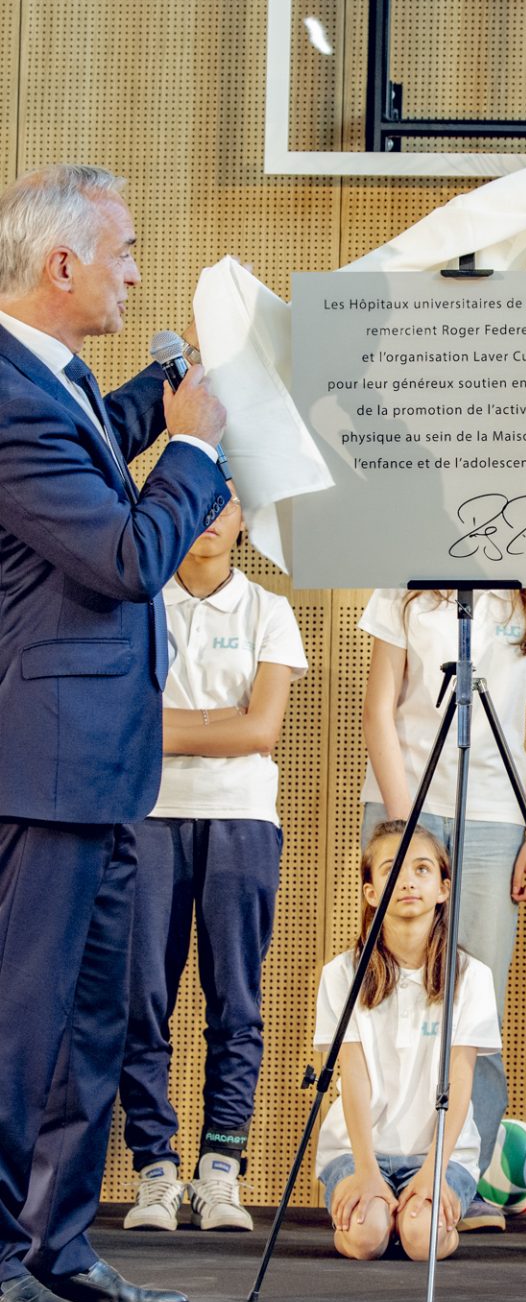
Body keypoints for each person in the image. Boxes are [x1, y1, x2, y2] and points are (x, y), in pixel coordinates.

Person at [0, 165, 228, 1302]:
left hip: (99, 765)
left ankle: (61, 1245)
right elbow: (127, 555)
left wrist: (158, 395)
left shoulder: (61, 380)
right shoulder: (4, 394)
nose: (139, 271)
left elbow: (99, 435)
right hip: (39, 767)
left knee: (93, 1023)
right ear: (63, 265)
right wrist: (195, 453)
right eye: (127, 251)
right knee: (18, 1023)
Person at [118, 492, 308, 1232]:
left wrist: (166, 724)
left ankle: (220, 1170)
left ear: (242, 521)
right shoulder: (138, 602)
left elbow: (261, 730)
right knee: (143, 1000)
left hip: (242, 820)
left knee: (235, 999)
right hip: (146, 815)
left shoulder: (270, 610)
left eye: (222, 504)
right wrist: (209, 725)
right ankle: (155, 1171)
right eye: (194, 500)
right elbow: (123, 718)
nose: (207, 516)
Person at [360, 586, 526, 1229]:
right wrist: (403, 832)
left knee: (476, 1002)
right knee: (389, 991)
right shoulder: (403, 586)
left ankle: (464, 1181)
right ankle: (377, 1169)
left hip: (494, 814)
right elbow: (379, 710)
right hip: (406, 801)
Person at [314, 820, 501, 1262]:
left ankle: (413, 1218)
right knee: (366, 1238)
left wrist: (434, 1172)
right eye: (391, 871)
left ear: (443, 888)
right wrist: (366, 1172)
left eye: (421, 870)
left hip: (438, 1154)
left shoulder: (470, 976)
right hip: (358, 1149)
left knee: (421, 1240)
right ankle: (380, 1217)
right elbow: (354, 1079)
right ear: (371, 892)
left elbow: (460, 1079)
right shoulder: (342, 974)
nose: (408, 882)